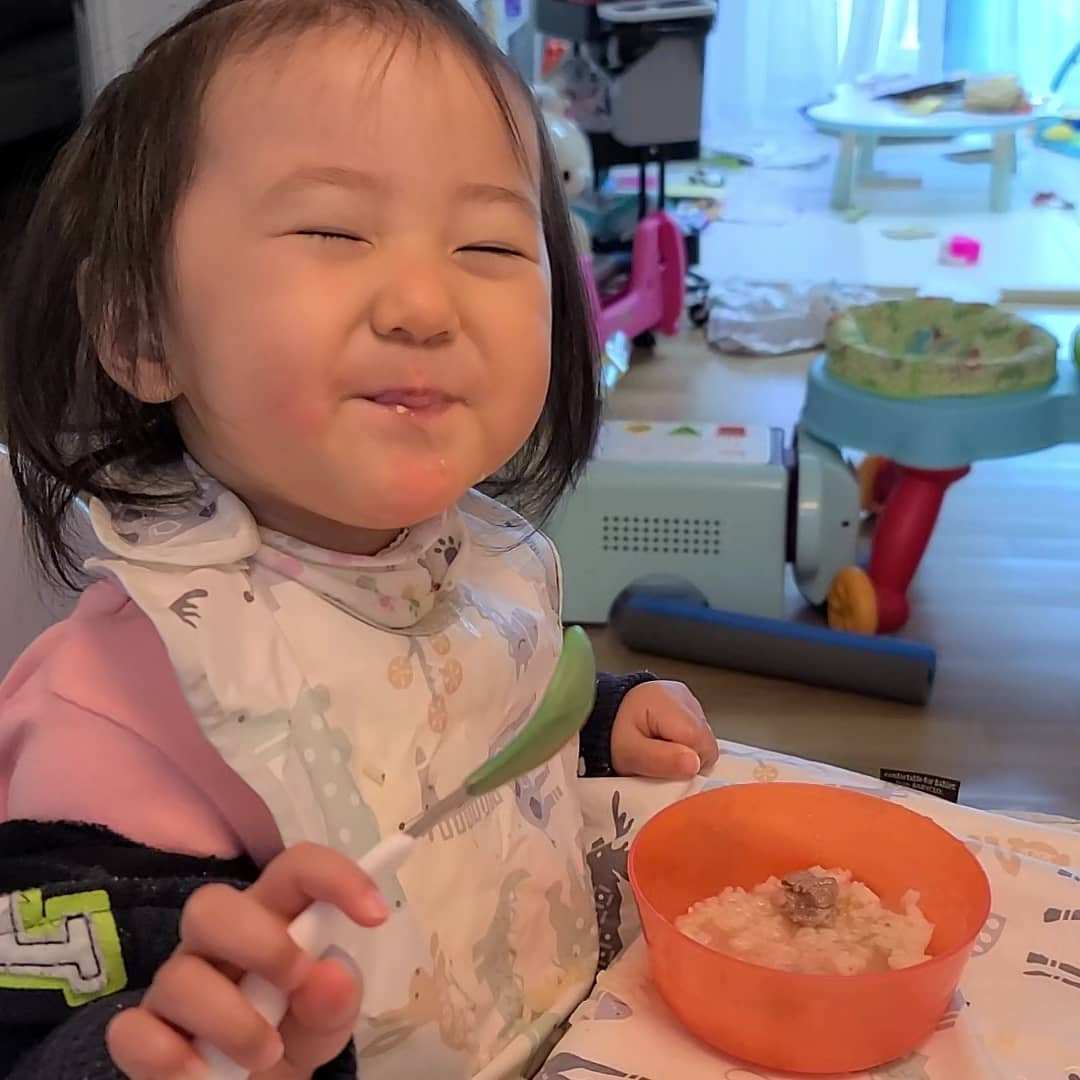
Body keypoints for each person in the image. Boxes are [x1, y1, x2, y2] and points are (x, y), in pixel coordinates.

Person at [0, 1, 718, 1077]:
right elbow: (31, 1009)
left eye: (488, 245)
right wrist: (146, 1046)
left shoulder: (465, 557)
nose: (426, 304)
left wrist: (596, 719)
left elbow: (448, 717)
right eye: (334, 232)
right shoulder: (112, 706)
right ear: (143, 329)